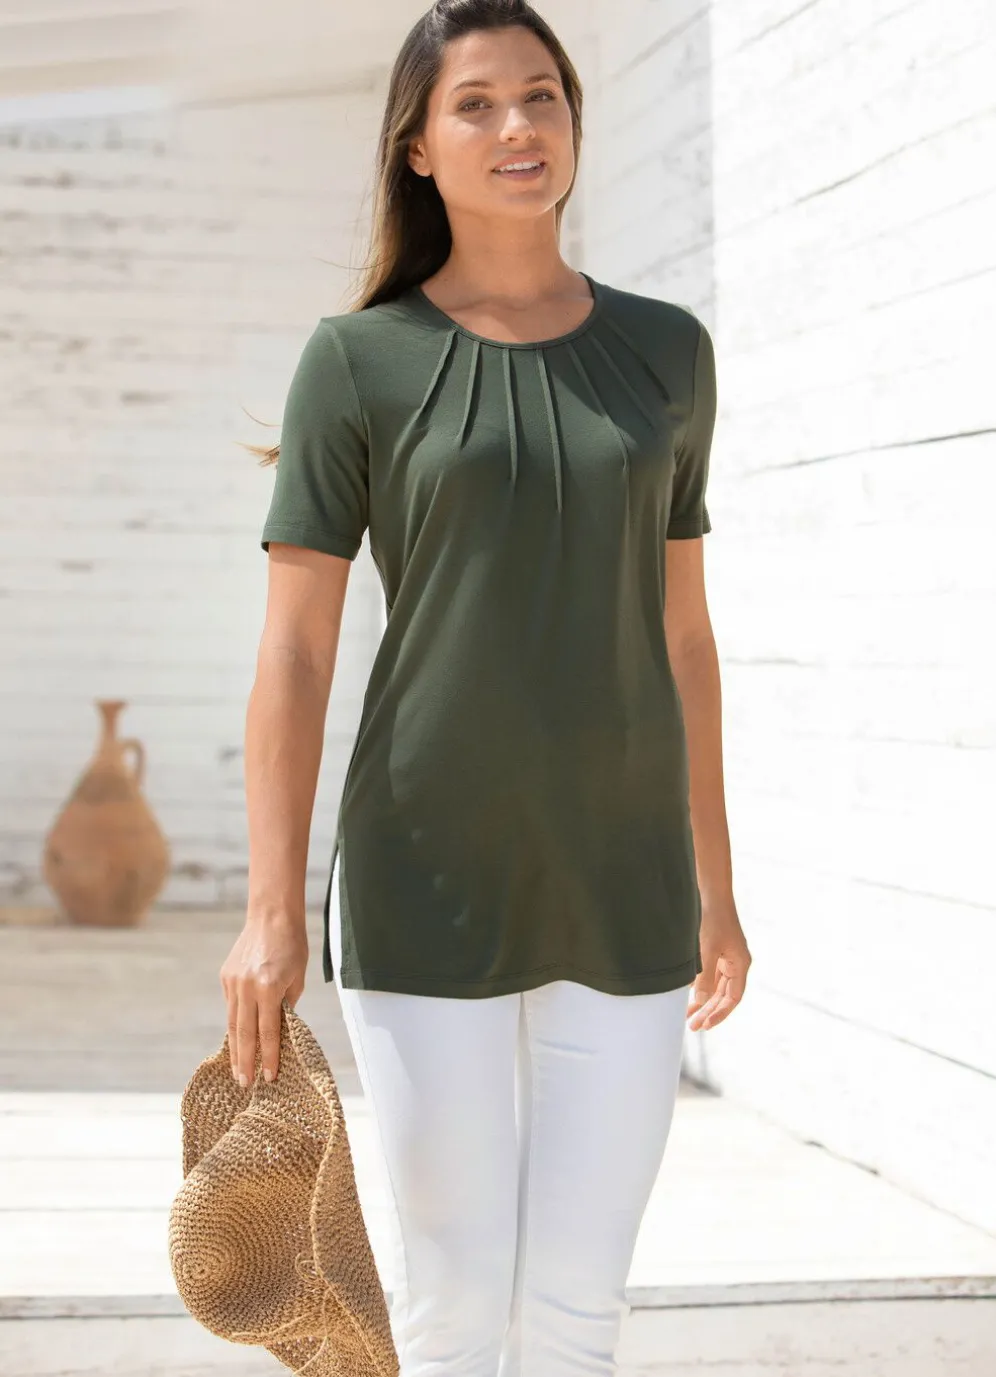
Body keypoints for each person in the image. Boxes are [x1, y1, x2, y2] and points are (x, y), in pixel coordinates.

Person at [221, 2, 751, 1373]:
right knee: (455, 1304)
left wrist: (718, 884)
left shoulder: (669, 353)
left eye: (542, 95)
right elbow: (294, 651)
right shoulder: (359, 361)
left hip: (624, 876)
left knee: (577, 1309)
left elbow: (685, 637)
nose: (519, 126)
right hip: (425, 873)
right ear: (417, 147)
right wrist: (270, 912)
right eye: (475, 103)